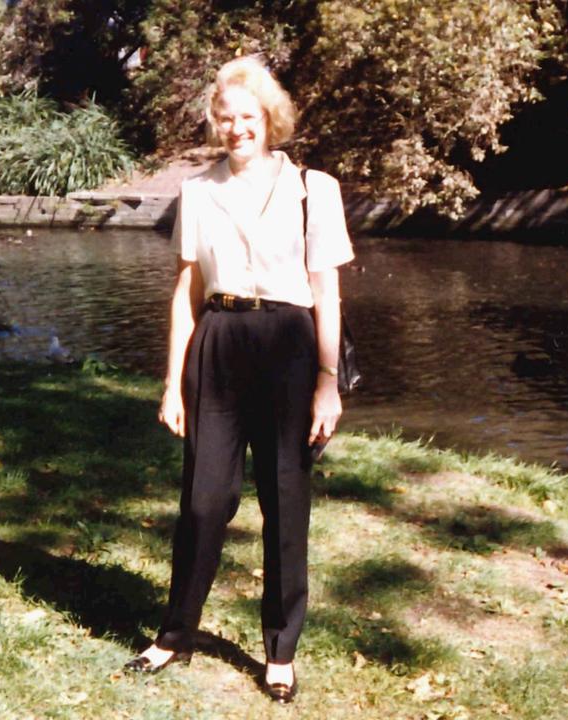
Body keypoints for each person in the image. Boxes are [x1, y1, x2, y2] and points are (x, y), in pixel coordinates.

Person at [122, 56, 354, 704]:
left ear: (269, 120)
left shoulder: (316, 189)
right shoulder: (198, 193)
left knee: (284, 502)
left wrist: (328, 382)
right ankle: (173, 635)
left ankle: (280, 650)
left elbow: (326, 292)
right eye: (225, 117)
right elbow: (184, 294)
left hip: (289, 345)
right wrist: (172, 382)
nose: (235, 128)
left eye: (247, 116)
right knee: (203, 501)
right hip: (218, 344)